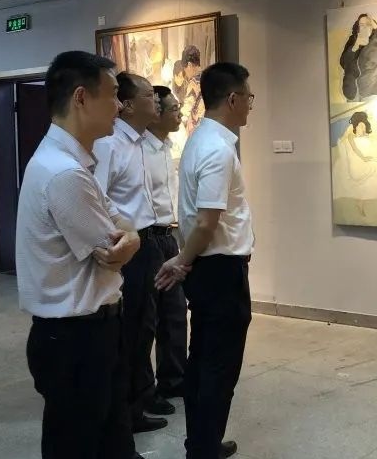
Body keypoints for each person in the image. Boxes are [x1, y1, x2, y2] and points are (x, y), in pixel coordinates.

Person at [16, 51, 143, 459]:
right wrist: (130, 240)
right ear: (81, 98)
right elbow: (112, 249)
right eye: (113, 94)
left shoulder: (72, 163)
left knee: (110, 438)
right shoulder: (64, 173)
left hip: (89, 331)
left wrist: (132, 238)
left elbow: (125, 226)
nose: (119, 106)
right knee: (79, 443)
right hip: (75, 338)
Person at [156, 62, 255, 459]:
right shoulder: (216, 149)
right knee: (219, 366)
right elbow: (206, 221)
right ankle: (203, 448)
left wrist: (185, 260)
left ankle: (201, 442)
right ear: (232, 99)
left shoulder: (203, 139)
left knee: (202, 360)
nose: (250, 104)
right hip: (220, 270)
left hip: (210, 267)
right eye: (248, 97)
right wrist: (182, 260)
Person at [92, 72, 170, 433]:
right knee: (130, 332)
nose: (156, 101)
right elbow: (98, 199)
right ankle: (125, 413)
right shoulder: (110, 144)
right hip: (129, 248)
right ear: (126, 104)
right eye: (149, 95)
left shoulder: (137, 142)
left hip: (147, 242)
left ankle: (138, 403)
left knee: (145, 327)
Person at [145, 85, 188, 399]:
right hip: (146, 237)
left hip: (167, 237)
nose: (179, 114)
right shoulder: (138, 150)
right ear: (155, 113)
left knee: (174, 313)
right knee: (146, 318)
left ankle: (174, 380)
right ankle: (143, 392)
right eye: (173, 108)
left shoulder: (166, 147)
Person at [331, 111, 377, 224]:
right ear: (355, 125)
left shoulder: (354, 136)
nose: (363, 128)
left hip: (356, 168)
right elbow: (355, 148)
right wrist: (364, 157)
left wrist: (364, 134)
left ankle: (360, 202)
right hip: (355, 169)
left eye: (363, 126)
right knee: (375, 166)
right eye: (361, 126)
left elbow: (361, 138)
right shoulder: (350, 135)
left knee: (368, 180)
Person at [339, 14, 377, 102]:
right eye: (362, 25)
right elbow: (343, 62)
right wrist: (355, 45)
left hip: (372, 93)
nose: (365, 27)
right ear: (358, 27)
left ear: (372, 27)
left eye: (368, 24)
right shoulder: (353, 40)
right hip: (351, 92)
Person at [181, 45, 205, 135]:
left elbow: (188, 106)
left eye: (185, 69)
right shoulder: (208, 77)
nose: (186, 74)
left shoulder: (194, 83)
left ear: (189, 65)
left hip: (198, 127)